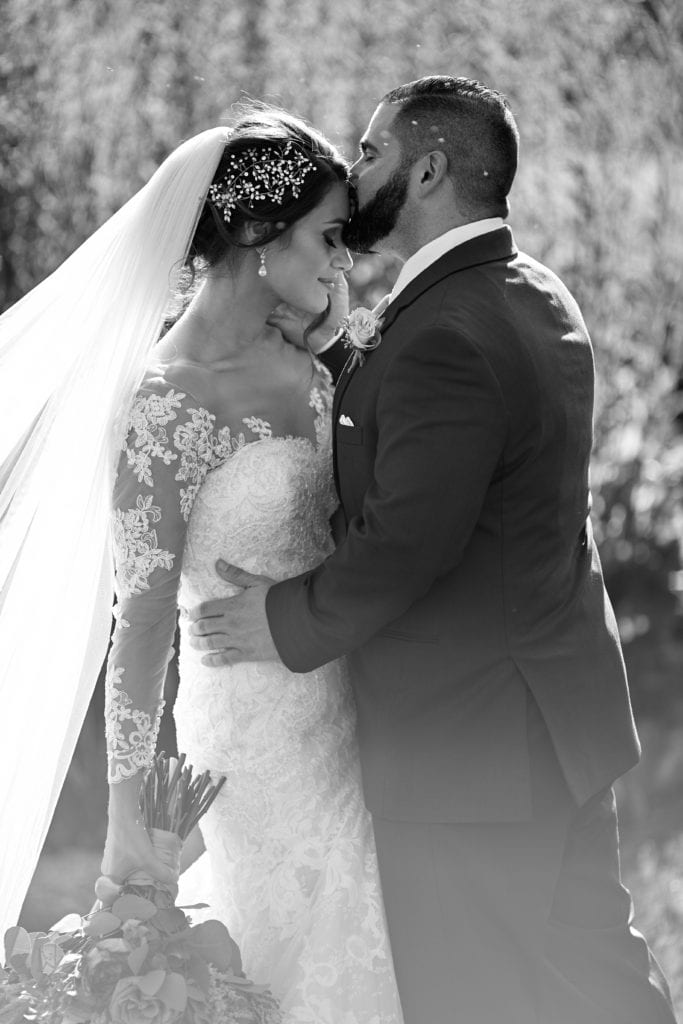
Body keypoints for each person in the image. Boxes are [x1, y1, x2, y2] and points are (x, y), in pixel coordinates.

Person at [188, 77, 678, 1023]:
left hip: (473, 757)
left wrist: (280, 619)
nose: (352, 165)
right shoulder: (526, 293)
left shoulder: (443, 331)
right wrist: (339, 356)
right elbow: (447, 455)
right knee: (596, 987)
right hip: (553, 721)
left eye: (370, 152)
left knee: (480, 998)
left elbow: (407, 542)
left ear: (427, 168)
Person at [0, 107, 404, 1024]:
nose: (346, 262)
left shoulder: (312, 359)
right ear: (261, 237)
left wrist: (333, 328)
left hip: (358, 716)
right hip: (251, 741)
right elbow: (138, 627)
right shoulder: (163, 405)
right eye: (331, 239)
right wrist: (126, 821)